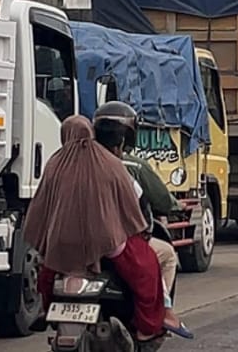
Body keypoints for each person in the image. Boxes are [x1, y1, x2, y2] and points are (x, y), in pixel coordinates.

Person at [23, 115, 167, 347]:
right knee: (146, 269)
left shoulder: (54, 164)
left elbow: (40, 207)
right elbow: (130, 202)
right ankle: (147, 328)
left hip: (61, 244)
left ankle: (45, 309)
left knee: (46, 274)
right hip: (107, 243)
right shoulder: (109, 163)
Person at [92, 101, 189, 337]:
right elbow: (153, 202)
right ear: (125, 138)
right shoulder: (128, 166)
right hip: (116, 242)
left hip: (73, 244)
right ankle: (160, 314)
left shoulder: (69, 163)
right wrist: (176, 207)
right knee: (163, 256)